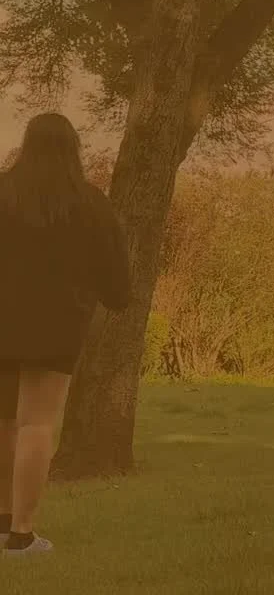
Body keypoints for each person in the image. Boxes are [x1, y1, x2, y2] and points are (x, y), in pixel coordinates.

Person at [0, 113, 131, 555]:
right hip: (55, 327)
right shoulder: (90, 203)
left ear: (26, 145)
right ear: (73, 149)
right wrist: (113, 295)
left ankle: (1, 521)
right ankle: (22, 536)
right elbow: (117, 281)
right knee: (36, 424)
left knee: (3, 423)